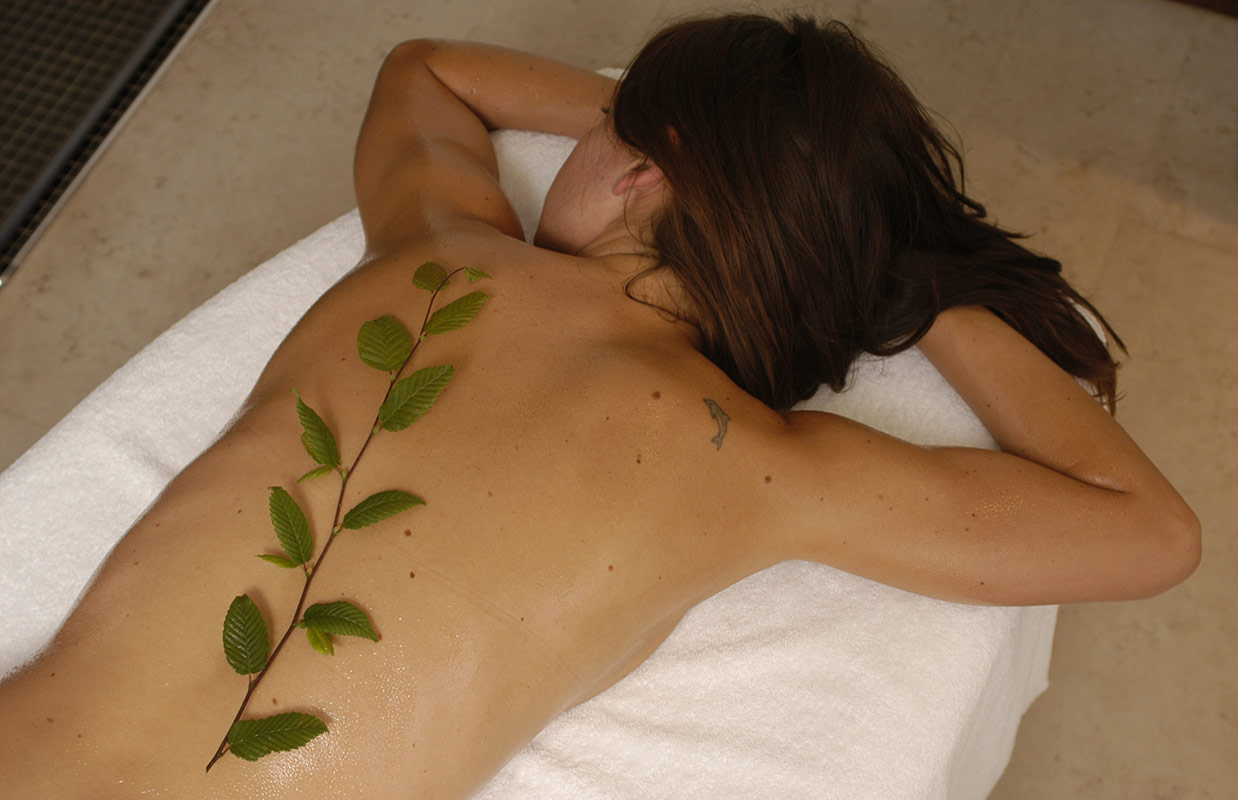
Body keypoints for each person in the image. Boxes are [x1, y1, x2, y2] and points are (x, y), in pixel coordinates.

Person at [0, 13, 1199, 799]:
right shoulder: (760, 467)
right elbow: (1147, 530)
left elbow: (424, 69)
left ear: (639, 166)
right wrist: (904, 279)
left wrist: (662, 126)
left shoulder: (439, 253)